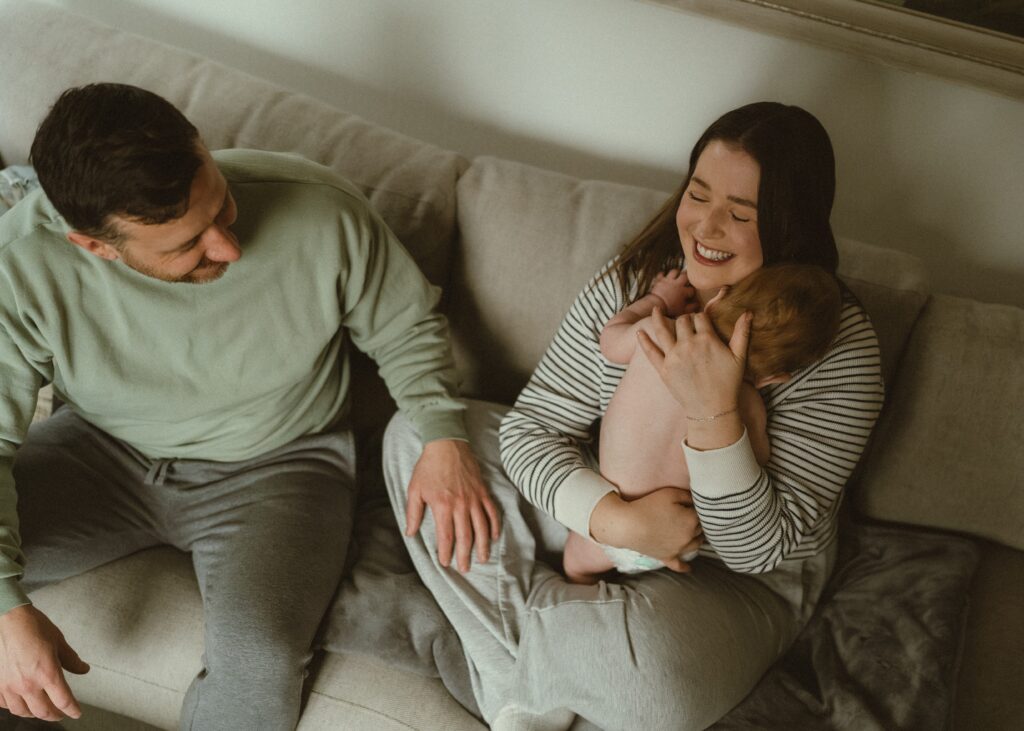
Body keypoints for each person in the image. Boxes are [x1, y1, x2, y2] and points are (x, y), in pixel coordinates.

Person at [0, 83, 498, 730]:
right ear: (95, 246)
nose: (228, 248)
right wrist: (6, 607)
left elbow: (404, 326)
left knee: (260, 663)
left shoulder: (322, 208)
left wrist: (443, 437)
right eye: (187, 245)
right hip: (101, 452)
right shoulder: (20, 266)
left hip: (284, 464)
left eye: (222, 206)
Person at [384, 101, 885, 731]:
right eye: (697, 194)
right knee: (420, 441)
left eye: (740, 214)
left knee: (654, 689)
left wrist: (714, 412)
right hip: (608, 498)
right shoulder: (644, 286)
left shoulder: (830, 347)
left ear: (790, 226)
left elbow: (755, 549)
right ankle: (543, 665)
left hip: (727, 580)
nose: (706, 226)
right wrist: (614, 520)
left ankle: (532, 654)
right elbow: (533, 428)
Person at [563, 263, 843, 584]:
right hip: (672, 538)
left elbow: (610, 341)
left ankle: (577, 577)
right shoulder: (747, 407)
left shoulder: (659, 332)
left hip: (603, 506)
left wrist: (657, 300)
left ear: (714, 301)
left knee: (576, 562)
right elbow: (754, 465)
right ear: (775, 378)